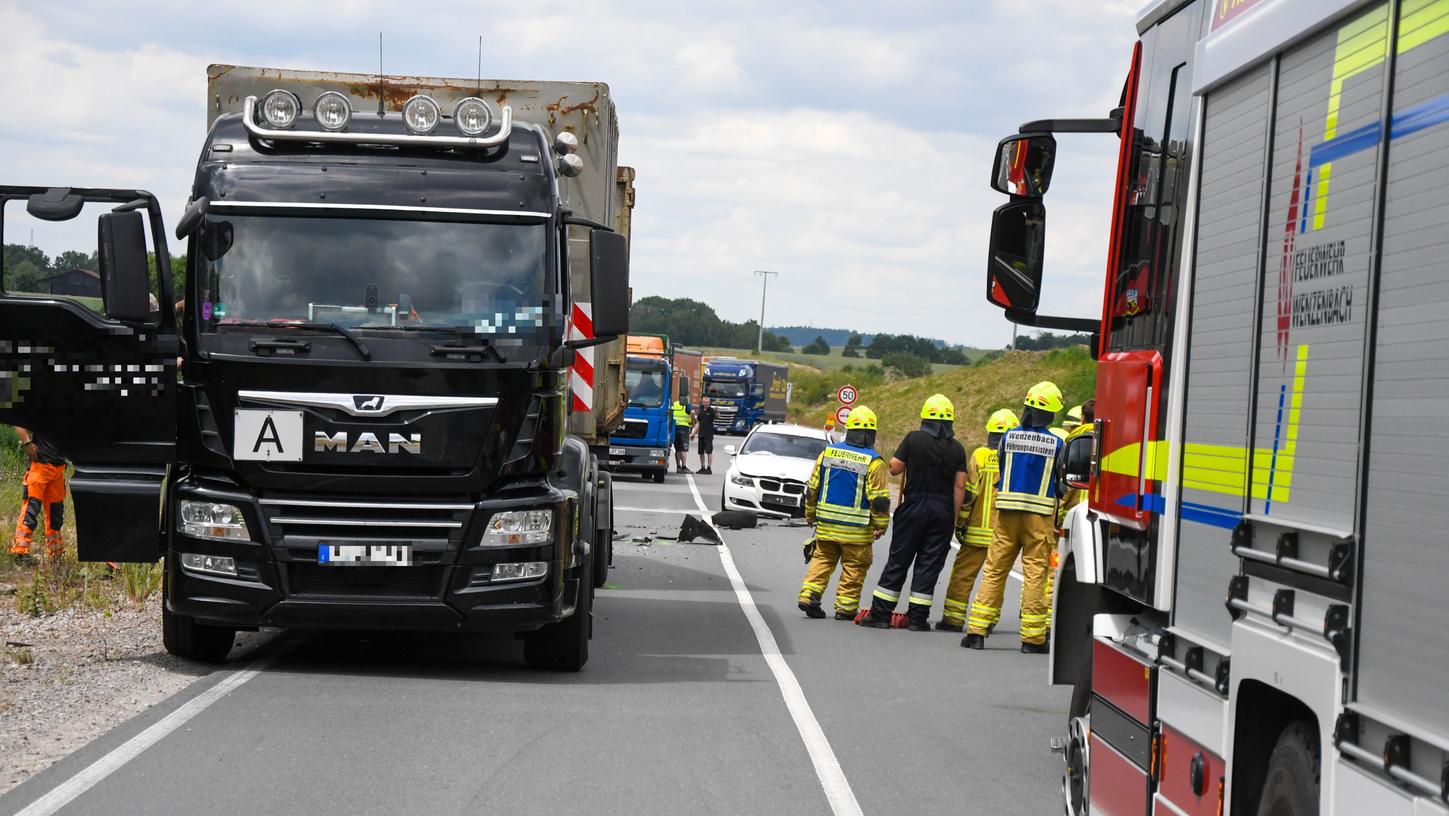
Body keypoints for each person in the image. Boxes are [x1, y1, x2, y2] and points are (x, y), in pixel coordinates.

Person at [964, 381, 1065, 653]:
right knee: (1035, 574)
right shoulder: (1057, 444)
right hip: (1039, 518)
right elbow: (1062, 483)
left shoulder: (1008, 437)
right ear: (1051, 414)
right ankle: (1032, 640)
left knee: (995, 570)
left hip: (1006, 514)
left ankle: (976, 632)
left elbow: (1003, 468)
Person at [858, 394, 967, 632]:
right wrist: (953, 518)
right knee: (929, 565)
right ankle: (917, 619)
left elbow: (895, 468)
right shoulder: (957, 449)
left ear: (925, 417)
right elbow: (960, 486)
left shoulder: (914, 438)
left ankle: (880, 615)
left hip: (914, 505)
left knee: (899, 559)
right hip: (943, 511)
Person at [798, 405, 890, 620]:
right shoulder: (873, 462)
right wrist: (881, 525)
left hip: (827, 527)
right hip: (856, 533)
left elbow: (812, 488)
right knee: (854, 568)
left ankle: (809, 596)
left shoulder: (828, 453)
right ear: (871, 433)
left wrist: (810, 515)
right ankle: (845, 609)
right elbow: (879, 500)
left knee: (821, 561)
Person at [937, 408, 1018, 632]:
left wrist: (960, 523)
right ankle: (988, 620)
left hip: (976, 532)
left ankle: (953, 620)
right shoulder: (1016, 458)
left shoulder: (980, 456)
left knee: (963, 576)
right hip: (1005, 534)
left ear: (989, 431)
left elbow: (969, 494)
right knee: (995, 578)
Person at [11, 427, 68, 561]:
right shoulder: (39, 407)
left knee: (55, 514)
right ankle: (20, 552)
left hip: (58, 468)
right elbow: (19, 424)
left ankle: (56, 553)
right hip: (39, 465)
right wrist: (27, 444)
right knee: (31, 510)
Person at [694, 397, 718, 474]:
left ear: (709, 403)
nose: (706, 403)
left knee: (709, 452)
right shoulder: (701, 411)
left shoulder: (711, 411)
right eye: (704, 402)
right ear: (702, 402)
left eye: (707, 402)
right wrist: (693, 433)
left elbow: (717, 416)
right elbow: (698, 423)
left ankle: (709, 467)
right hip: (701, 434)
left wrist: (717, 412)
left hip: (709, 435)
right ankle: (702, 467)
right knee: (701, 452)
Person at [671, 397, 694, 473]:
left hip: (675, 427)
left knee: (677, 448)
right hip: (684, 427)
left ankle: (678, 467)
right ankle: (684, 467)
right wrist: (693, 421)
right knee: (684, 448)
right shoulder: (687, 404)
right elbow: (693, 412)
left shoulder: (675, 404)